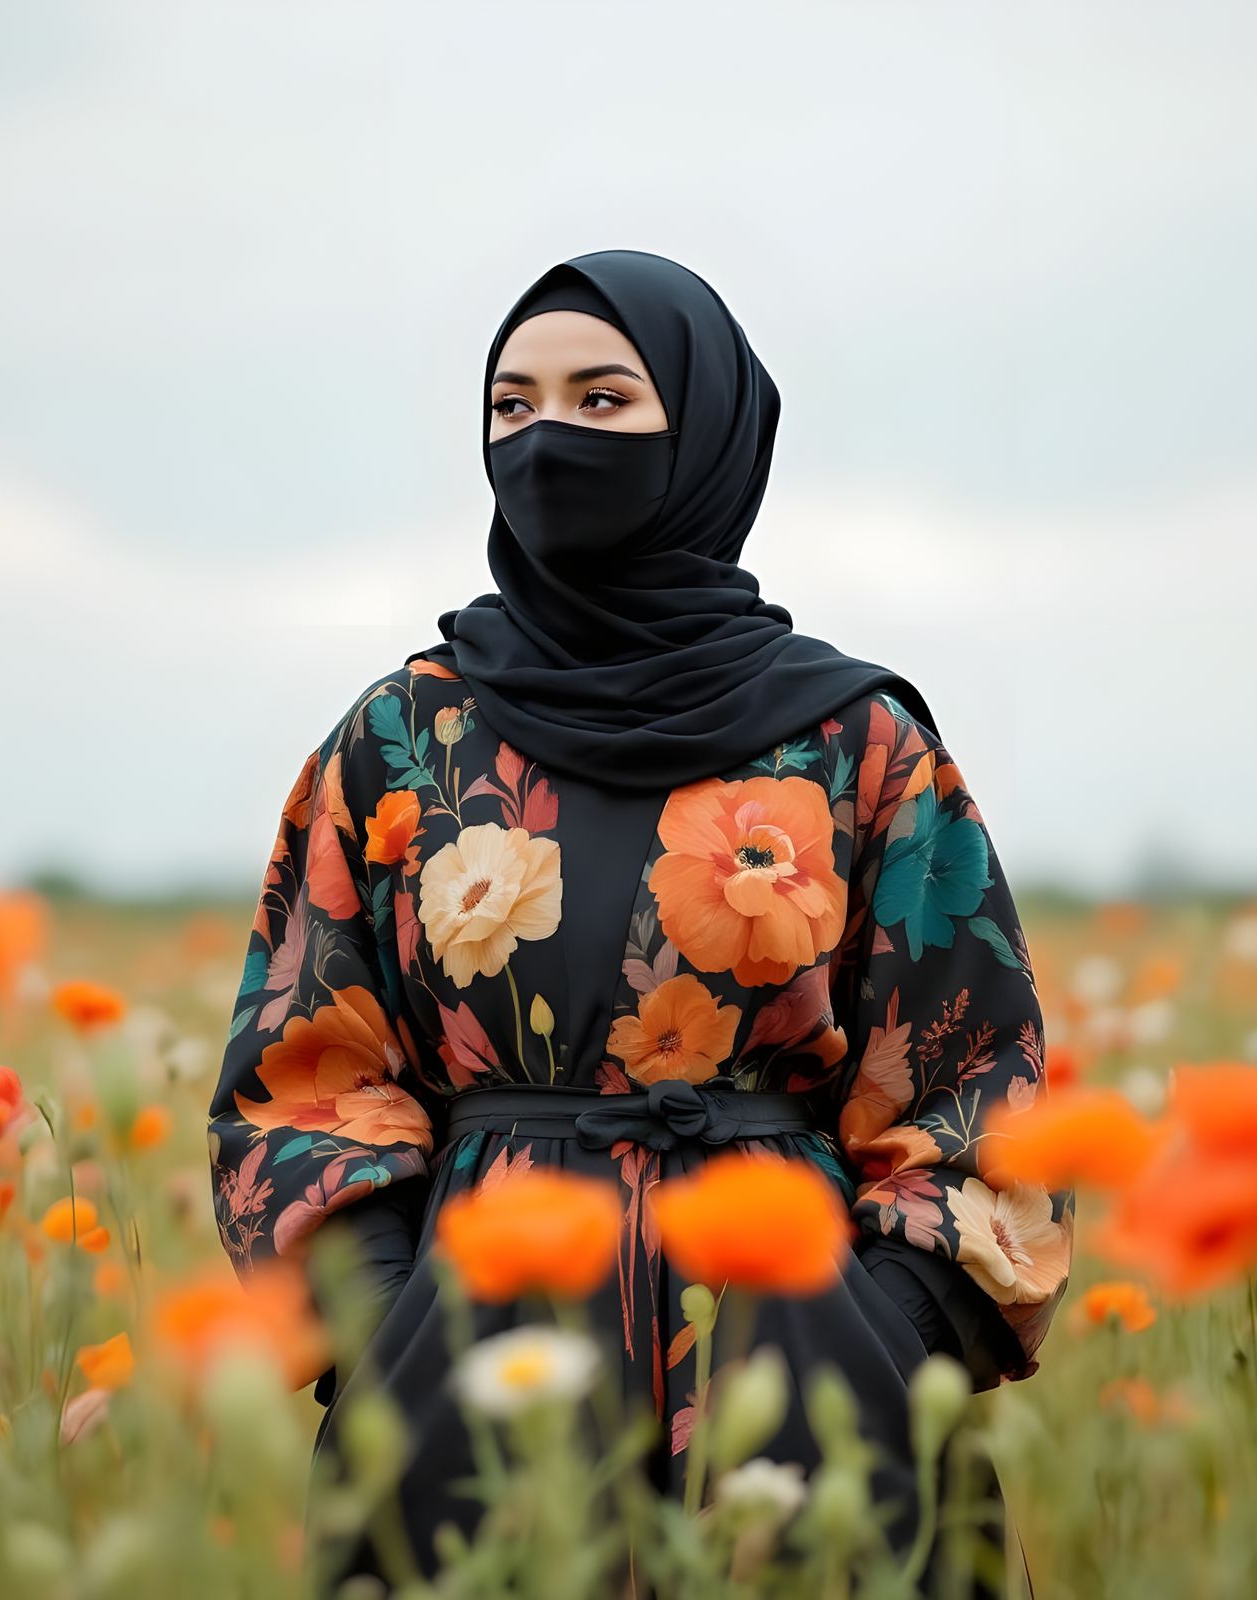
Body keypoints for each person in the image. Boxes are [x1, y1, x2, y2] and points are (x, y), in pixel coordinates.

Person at [206, 248, 1074, 1593]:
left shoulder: (855, 742)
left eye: (603, 401)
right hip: (467, 1390)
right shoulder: (402, 736)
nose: (549, 438)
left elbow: (977, 1088)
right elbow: (303, 1075)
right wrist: (391, 1336)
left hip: (811, 1383)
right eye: (514, 405)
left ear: (707, 429)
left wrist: (885, 1337)